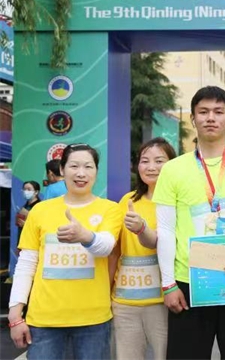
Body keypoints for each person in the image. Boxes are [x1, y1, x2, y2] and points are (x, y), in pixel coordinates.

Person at [153, 86, 225, 359]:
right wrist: (168, 284)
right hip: (190, 282)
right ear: (193, 118)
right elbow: (165, 230)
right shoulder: (172, 169)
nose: (211, 118)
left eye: (218, 111)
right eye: (203, 112)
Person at [8, 144, 122, 359]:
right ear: (62, 170)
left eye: (88, 166)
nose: (81, 173)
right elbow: (26, 264)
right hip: (44, 320)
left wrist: (85, 236)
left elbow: (106, 246)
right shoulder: (40, 211)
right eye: (74, 166)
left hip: (93, 320)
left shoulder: (110, 209)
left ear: (96, 171)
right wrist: (15, 314)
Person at [109, 138, 177, 360]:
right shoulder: (127, 201)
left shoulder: (179, 203)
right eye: (144, 161)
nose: (151, 167)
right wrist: (107, 292)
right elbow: (115, 251)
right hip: (125, 301)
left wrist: (142, 229)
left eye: (159, 161)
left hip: (165, 302)